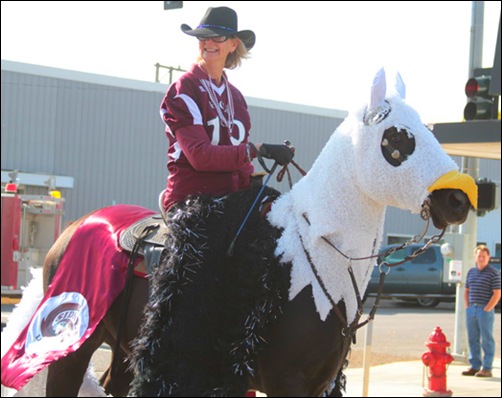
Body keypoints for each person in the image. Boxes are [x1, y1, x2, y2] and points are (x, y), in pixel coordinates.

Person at [159, 6, 294, 212]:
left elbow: (240, 158)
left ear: (233, 44)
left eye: (218, 37)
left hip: (232, 197)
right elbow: (200, 156)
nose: (209, 43)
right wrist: (259, 150)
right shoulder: (184, 88)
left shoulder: (237, 97)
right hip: (191, 201)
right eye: (203, 37)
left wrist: (252, 181)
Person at [462, 244, 501, 378]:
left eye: (484, 256)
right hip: (471, 309)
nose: (481, 258)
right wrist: (467, 306)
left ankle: (487, 368)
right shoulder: (471, 272)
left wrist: (487, 309)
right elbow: (466, 291)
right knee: (473, 338)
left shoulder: (493, 273)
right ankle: (474, 365)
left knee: (486, 339)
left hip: (484, 309)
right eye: (479, 256)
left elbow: (497, 294)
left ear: (488, 258)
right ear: (475, 257)